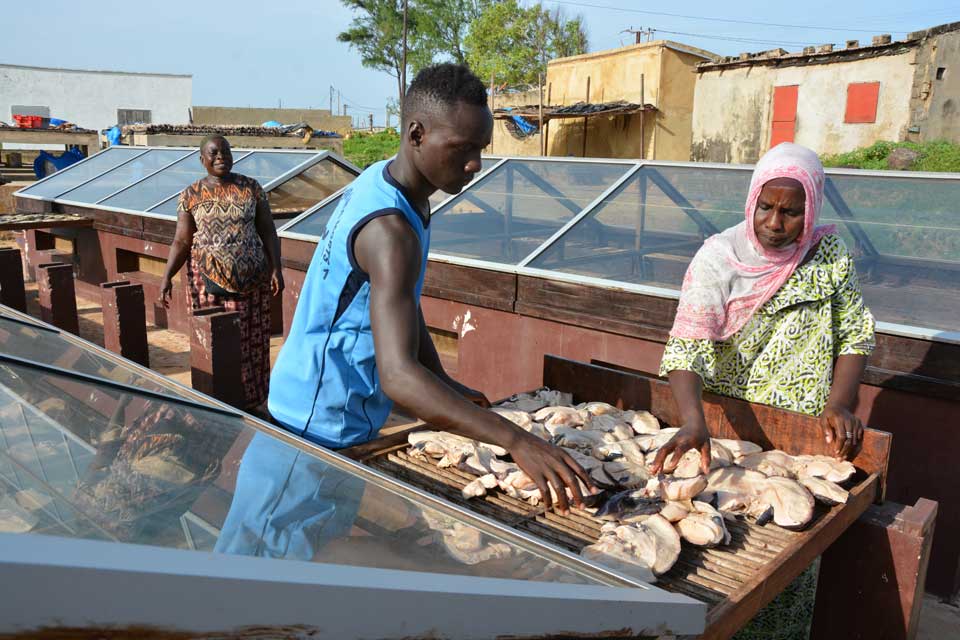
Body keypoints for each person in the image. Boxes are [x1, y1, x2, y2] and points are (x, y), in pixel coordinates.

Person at [268, 63, 592, 514]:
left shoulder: (397, 187)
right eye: (462, 148)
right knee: (271, 563)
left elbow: (400, 303)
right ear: (416, 133)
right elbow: (398, 377)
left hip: (341, 417)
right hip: (313, 428)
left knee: (318, 551)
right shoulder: (389, 230)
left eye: (480, 147)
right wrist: (516, 440)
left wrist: (443, 382)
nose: (476, 164)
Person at [652, 142, 876, 640]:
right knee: (727, 553)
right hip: (730, 436)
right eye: (766, 207)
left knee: (789, 559)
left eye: (792, 212)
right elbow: (685, 347)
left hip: (802, 437)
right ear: (751, 201)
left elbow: (854, 334)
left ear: (811, 209)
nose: (775, 222)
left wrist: (840, 402)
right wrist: (693, 421)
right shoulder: (719, 257)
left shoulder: (828, 255)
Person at [159, 135, 283, 411]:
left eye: (225, 152)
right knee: (218, 341)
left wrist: (276, 268)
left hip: (252, 282)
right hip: (207, 281)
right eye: (213, 153)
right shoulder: (190, 195)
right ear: (202, 159)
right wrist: (167, 276)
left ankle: (254, 402)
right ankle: (218, 402)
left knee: (252, 342)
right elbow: (181, 240)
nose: (220, 157)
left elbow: (268, 231)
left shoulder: (251, 188)